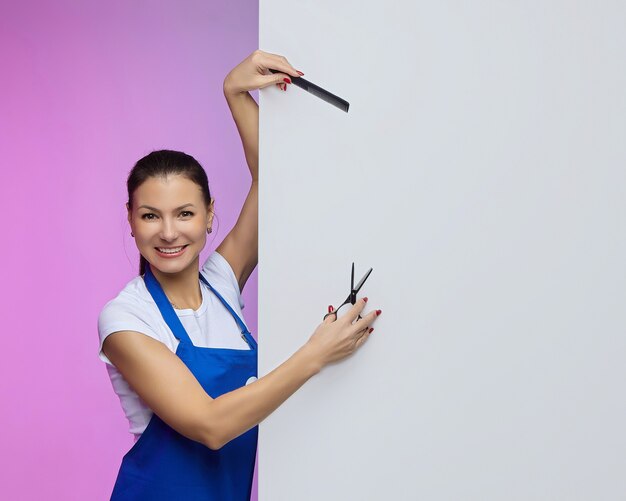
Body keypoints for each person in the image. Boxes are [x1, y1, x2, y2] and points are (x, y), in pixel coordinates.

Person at [97, 50, 382, 501]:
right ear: (130, 220)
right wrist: (315, 354)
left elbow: (272, 185)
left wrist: (235, 93)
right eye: (150, 216)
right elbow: (210, 425)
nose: (168, 232)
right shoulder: (125, 319)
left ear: (210, 217)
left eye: (185, 213)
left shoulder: (221, 286)